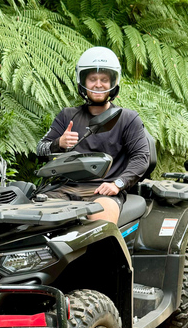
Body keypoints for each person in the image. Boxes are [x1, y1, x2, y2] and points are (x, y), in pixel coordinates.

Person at [37, 47, 149, 224]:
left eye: (104, 80)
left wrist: (118, 184)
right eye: (92, 79)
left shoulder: (127, 118)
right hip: (64, 189)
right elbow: (40, 149)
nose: (98, 84)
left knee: (100, 225)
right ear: (83, 82)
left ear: (113, 82)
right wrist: (59, 142)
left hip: (104, 191)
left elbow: (141, 157)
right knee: (36, 221)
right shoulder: (67, 115)